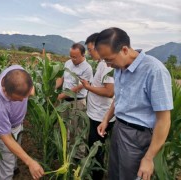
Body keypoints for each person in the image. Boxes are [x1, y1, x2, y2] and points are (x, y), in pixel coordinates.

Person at [96, 27, 173, 180]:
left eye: (109, 59)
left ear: (124, 50)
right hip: (119, 129)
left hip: (138, 137)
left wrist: (149, 158)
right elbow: (119, 97)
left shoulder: (154, 71)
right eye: (105, 61)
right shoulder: (120, 68)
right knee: (114, 175)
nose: (108, 65)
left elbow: (164, 119)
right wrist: (106, 119)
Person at [0, 65, 44, 180]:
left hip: (17, 124)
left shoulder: (16, 71)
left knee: (16, 149)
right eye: (19, 99)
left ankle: (14, 167)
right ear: (6, 91)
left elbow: (29, 86)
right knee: (6, 165)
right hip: (5, 130)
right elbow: (7, 138)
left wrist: (30, 91)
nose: (23, 100)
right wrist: (30, 162)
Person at [80, 33, 115, 180]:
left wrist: (88, 87)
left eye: (90, 49)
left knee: (96, 153)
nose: (89, 53)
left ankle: (97, 176)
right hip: (96, 115)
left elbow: (109, 91)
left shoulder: (106, 66)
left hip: (100, 117)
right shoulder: (101, 64)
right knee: (95, 151)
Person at [56, 43, 93, 159]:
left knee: (77, 129)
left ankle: (79, 156)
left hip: (77, 102)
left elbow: (80, 87)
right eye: (71, 56)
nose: (72, 59)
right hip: (65, 102)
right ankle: (66, 152)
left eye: (75, 57)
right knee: (64, 126)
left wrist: (63, 95)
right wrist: (54, 87)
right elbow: (62, 78)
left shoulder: (87, 68)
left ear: (83, 54)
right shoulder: (68, 63)